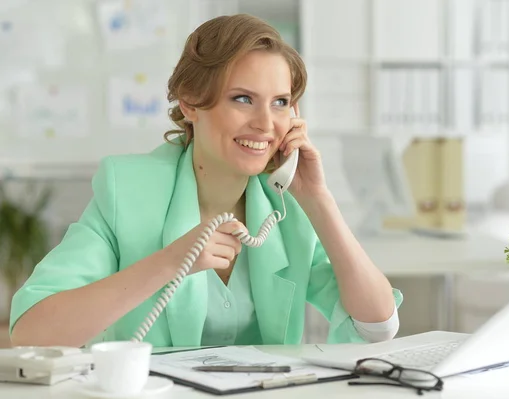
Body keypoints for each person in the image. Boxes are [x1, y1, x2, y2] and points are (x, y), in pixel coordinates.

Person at [9, 14, 402, 348]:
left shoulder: (286, 206)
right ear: (190, 103)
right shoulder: (127, 191)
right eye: (243, 99)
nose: (266, 124)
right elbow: (31, 332)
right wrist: (171, 262)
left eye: (280, 102)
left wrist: (318, 199)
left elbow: (379, 326)